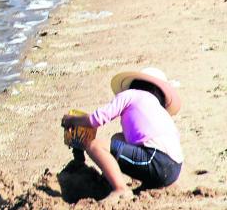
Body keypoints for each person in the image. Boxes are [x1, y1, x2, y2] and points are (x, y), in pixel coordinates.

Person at [61, 67, 183, 202]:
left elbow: (96, 119)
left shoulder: (131, 95)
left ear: (134, 84)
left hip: (155, 160)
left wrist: (71, 120)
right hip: (173, 170)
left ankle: (120, 189)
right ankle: (122, 181)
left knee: (95, 146)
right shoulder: (160, 110)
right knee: (118, 138)